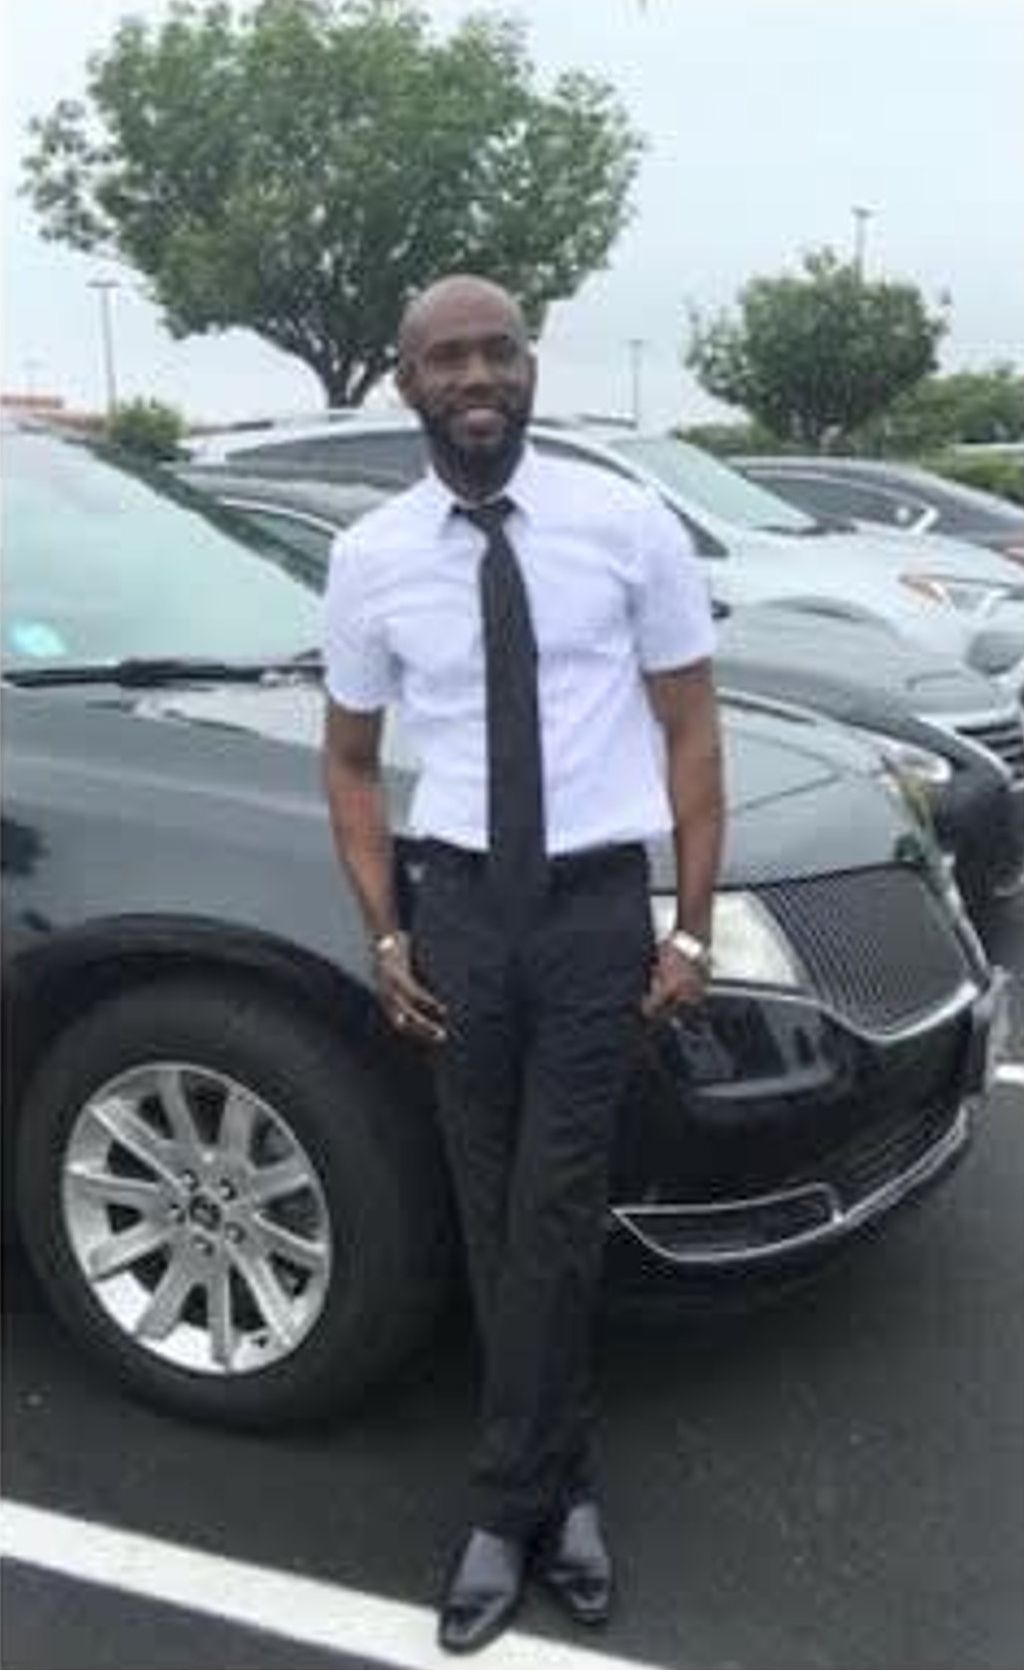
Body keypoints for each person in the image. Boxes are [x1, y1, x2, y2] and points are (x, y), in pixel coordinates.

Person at [322, 274, 724, 1654]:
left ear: (532, 365)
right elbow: (352, 758)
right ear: (406, 382)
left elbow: (691, 734)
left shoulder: (626, 523)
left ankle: (508, 1506)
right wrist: (385, 928)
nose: (476, 373)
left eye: (498, 349)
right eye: (448, 356)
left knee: (555, 1200)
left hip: (595, 910)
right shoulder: (372, 555)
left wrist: (691, 921)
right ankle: (567, 1488)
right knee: (494, 1205)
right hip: (461, 914)